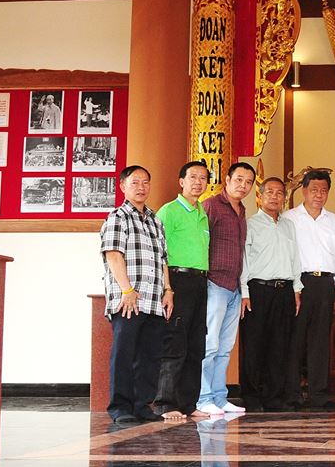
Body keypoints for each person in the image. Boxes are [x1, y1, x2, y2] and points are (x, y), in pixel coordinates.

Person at [100, 165, 173, 423]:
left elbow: (163, 260)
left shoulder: (155, 220)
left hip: (154, 300)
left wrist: (168, 290)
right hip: (128, 300)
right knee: (124, 355)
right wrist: (127, 290)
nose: (141, 187)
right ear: (122, 186)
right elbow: (113, 255)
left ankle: (143, 406)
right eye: (135, 182)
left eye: (145, 182)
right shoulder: (117, 217)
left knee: (150, 357)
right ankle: (120, 408)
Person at [282, 169, 335, 409]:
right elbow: (287, 255)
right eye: (314, 190)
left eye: (323, 190)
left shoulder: (333, 221)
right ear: (303, 191)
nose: (318, 195)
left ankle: (319, 395)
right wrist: (293, 287)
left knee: (320, 341)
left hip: (325, 284)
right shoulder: (289, 218)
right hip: (299, 283)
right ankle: (292, 395)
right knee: (295, 340)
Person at [197, 162, 256, 416]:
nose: (243, 185)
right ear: (227, 180)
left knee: (225, 348)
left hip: (234, 287)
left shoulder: (241, 211)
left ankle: (219, 398)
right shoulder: (211, 205)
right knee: (209, 345)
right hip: (215, 283)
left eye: (248, 182)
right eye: (239, 179)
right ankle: (202, 398)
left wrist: (243, 291)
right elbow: (201, 242)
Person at [154, 161, 211, 420]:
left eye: (203, 178)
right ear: (181, 181)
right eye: (193, 177)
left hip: (200, 282)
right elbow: (159, 253)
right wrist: (167, 288)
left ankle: (188, 403)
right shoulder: (169, 211)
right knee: (174, 342)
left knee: (196, 345)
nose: (198, 182)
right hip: (177, 280)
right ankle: (166, 403)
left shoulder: (202, 213)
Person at [239, 177, 302, 412]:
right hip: (258, 290)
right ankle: (252, 397)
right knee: (254, 345)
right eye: (270, 192)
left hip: (284, 291)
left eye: (279, 193)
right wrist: (245, 292)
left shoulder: (289, 226)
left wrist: (296, 289)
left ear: (284, 197)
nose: (275, 197)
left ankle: (274, 397)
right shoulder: (250, 224)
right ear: (260, 196)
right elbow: (244, 260)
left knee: (279, 346)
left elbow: (295, 259)